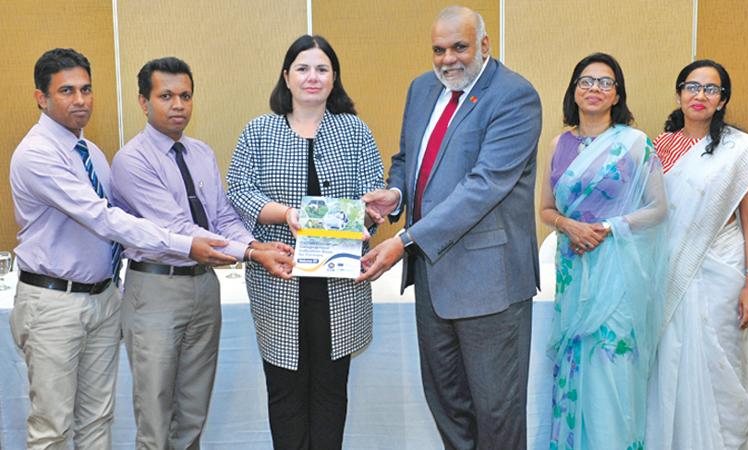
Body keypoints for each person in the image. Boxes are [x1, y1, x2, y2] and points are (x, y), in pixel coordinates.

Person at [8, 48, 236, 450]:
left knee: (97, 420)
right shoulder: (38, 154)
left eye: (86, 89)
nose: (80, 100)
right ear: (41, 98)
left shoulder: (91, 153)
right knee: (53, 428)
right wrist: (187, 244)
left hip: (101, 297)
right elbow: (105, 219)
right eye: (66, 91)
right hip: (53, 301)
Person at [357, 6, 541, 448]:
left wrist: (404, 240)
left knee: (497, 413)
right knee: (447, 404)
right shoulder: (422, 89)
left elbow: (484, 186)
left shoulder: (515, 96)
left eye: (459, 47)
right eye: (438, 50)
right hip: (432, 280)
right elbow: (407, 158)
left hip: (491, 286)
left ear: (484, 45)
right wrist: (396, 195)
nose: (447, 60)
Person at [110, 57, 293, 449]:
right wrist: (251, 253)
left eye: (186, 95)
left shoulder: (201, 153)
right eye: (166, 96)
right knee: (155, 413)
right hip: (156, 290)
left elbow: (222, 216)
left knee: (193, 411)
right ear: (143, 102)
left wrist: (256, 244)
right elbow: (178, 229)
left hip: (203, 288)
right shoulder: (131, 161)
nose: (178, 105)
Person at [226, 35, 384, 449]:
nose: (312, 77)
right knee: (285, 392)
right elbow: (239, 190)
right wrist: (286, 214)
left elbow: (373, 190)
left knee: (332, 392)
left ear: (334, 78)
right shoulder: (259, 131)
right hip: (279, 281)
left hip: (340, 284)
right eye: (302, 68)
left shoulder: (355, 131)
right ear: (286, 76)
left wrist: (372, 208)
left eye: (322, 69)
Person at [646, 60, 748, 450]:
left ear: (722, 99)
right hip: (668, 268)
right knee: (667, 361)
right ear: (679, 93)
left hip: (722, 269)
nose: (700, 96)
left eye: (711, 89)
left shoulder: (740, 152)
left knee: (718, 361)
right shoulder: (658, 147)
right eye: (692, 87)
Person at [539, 53, 668, 450]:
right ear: (574, 90)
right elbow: (546, 209)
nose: (594, 88)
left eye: (605, 82)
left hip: (617, 270)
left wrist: (609, 228)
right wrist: (568, 225)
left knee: (612, 370)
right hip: (573, 267)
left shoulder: (634, 144)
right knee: (577, 365)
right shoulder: (560, 142)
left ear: (617, 95)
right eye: (586, 81)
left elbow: (659, 209)